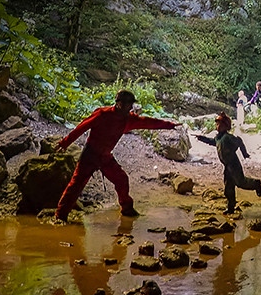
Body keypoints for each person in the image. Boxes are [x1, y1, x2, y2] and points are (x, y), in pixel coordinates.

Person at [53, 90, 180, 222]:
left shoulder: (128, 119)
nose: (131, 107)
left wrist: (169, 125)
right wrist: (65, 142)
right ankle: (60, 216)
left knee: (122, 179)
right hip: (90, 155)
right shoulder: (102, 114)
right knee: (76, 185)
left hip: (105, 157)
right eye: (128, 104)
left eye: (131, 104)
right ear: (119, 104)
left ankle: (127, 209)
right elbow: (82, 127)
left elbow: (147, 122)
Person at [195, 112, 261, 214]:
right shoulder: (219, 138)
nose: (217, 127)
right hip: (227, 166)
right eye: (217, 125)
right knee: (228, 187)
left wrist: (245, 153)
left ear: (226, 126)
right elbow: (212, 142)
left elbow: (239, 141)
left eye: (220, 125)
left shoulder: (227, 137)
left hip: (233, 164)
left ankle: (256, 184)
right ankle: (231, 208)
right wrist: (201, 138)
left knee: (240, 182)